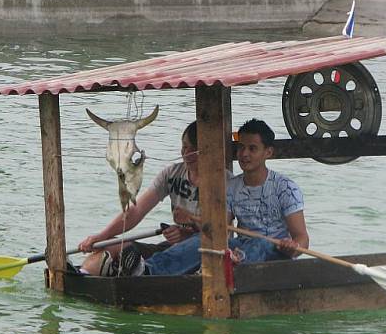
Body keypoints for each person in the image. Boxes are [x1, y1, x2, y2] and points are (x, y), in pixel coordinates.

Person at [118, 118, 309, 276]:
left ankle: (229, 264)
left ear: (268, 152)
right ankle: (148, 270)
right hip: (241, 247)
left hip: (274, 251)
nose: (244, 154)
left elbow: (302, 238)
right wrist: (192, 221)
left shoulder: (285, 188)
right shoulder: (232, 186)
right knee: (203, 240)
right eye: (241, 147)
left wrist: (292, 246)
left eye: (252, 148)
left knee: (260, 242)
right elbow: (218, 229)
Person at [77, 121, 205, 275]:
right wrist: (102, 236)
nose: (187, 153)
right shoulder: (171, 173)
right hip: (171, 248)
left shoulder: (222, 180)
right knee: (112, 245)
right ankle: (83, 274)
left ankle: (142, 270)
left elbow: (221, 230)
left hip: (202, 252)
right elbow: (137, 210)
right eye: (184, 146)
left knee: (199, 243)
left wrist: (190, 225)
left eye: (194, 149)